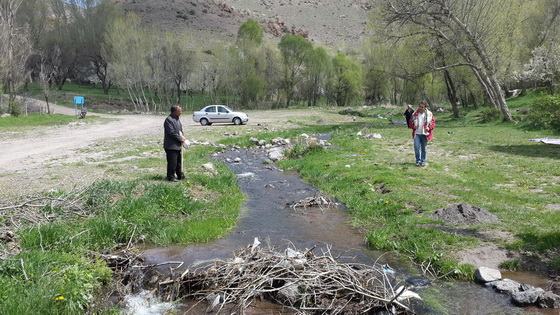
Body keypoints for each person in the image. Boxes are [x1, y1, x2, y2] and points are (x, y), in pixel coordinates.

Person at [163, 105, 186, 182]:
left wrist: (183, 136)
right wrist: (180, 138)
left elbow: (180, 130)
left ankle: (180, 175)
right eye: (180, 111)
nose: (181, 112)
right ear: (175, 112)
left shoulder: (177, 119)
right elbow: (171, 133)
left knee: (179, 161)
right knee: (172, 162)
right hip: (171, 145)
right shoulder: (168, 120)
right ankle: (171, 177)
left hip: (178, 144)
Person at [411, 101, 435, 166]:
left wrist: (429, 128)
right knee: (416, 147)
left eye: (422, 107)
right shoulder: (414, 114)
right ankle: (418, 161)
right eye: (420, 106)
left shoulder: (429, 114)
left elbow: (433, 123)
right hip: (417, 133)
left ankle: (423, 161)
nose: (421, 108)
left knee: (424, 148)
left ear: (425, 107)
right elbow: (410, 123)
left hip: (425, 134)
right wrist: (413, 126)